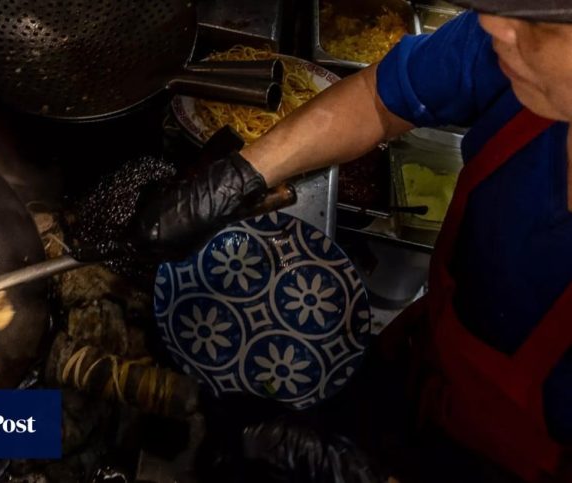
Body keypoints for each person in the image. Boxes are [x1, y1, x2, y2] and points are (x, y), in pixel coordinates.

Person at [129, 1, 572, 480]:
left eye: (544, 20)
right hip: (420, 358)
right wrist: (239, 176)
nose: (491, 24)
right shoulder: (510, 40)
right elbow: (378, 99)